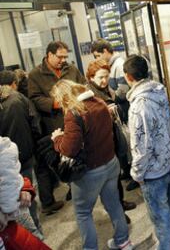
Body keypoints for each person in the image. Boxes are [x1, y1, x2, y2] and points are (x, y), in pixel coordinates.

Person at [50, 80, 133, 250]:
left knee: (83, 213)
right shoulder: (99, 102)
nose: (58, 105)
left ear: (65, 97)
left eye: (59, 100)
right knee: (114, 204)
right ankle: (123, 241)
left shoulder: (75, 113)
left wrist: (57, 138)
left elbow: (69, 149)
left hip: (90, 172)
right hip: (111, 163)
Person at [123, 55, 170, 250]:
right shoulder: (159, 91)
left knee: (159, 214)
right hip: (167, 162)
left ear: (128, 77)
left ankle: (165, 247)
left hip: (152, 171)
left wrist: (137, 173)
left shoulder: (138, 105)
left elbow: (141, 146)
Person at [28, 41, 84, 214]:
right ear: (49, 55)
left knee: (75, 154)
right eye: (59, 57)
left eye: (65, 57)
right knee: (55, 160)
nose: (63, 60)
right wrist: (55, 103)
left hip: (74, 119)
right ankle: (58, 193)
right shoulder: (35, 75)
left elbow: (82, 86)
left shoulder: (72, 69)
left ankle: (75, 187)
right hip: (53, 124)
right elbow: (34, 98)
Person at [86, 60, 137, 219]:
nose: (104, 80)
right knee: (109, 183)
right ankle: (118, 213)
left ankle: (120, 203)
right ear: (91, 77)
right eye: (100, 77)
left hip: (112, 136)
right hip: (101, 143)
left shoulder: (106, 89)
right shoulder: (90, 95)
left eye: (106, 76)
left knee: (115, 177)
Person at [91, 39, 138, 191]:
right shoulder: (111, 67)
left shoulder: (118, 64)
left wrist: (113, 99)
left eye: (98, 55)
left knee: (129, 144)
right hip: (118, 112)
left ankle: (133, 175)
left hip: (123, 110)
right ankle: (127, 171)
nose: (97, 59)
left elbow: (123, 90)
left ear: (106, 50)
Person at [0, 70, 42, 231]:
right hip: (23, 158)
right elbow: (34, 124)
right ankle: (36, 233)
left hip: (7, 166)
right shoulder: (19, 99)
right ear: (13, 84)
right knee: (28, 200)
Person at [0, 136, 50, 249]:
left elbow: (11, 173)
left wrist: (24, 188)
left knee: (35, 235)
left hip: (16, 219)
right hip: (10, 227)